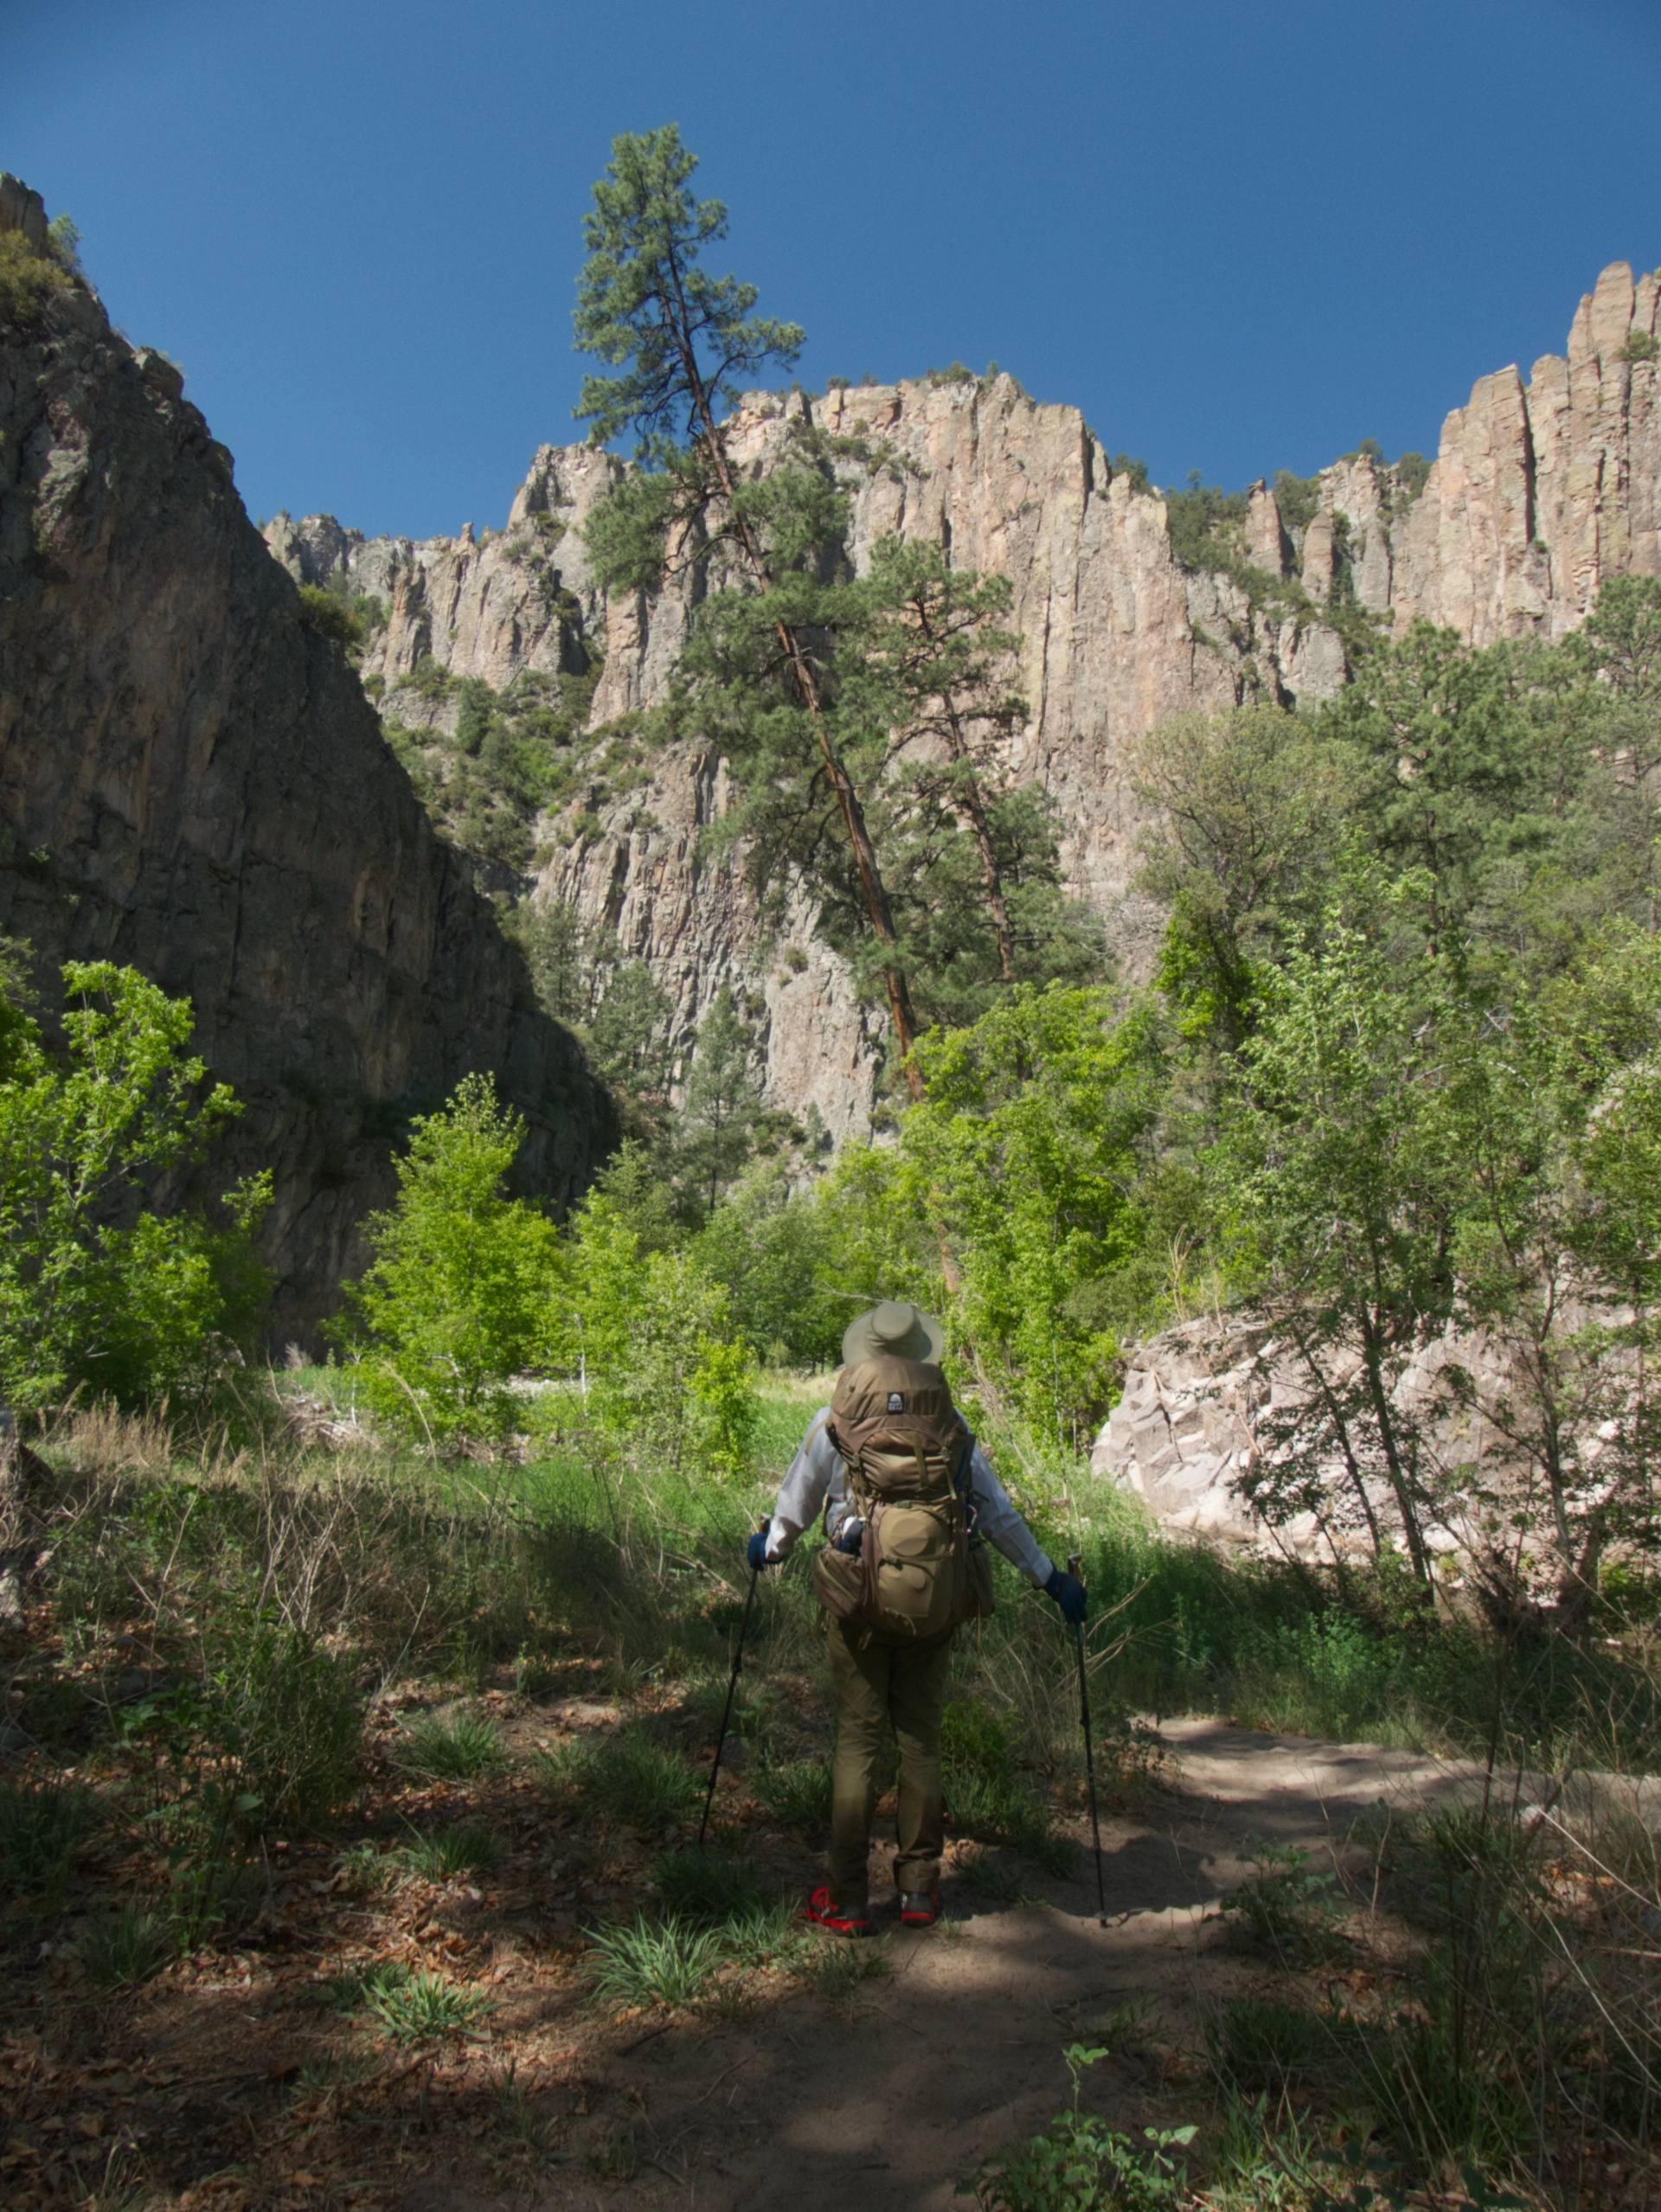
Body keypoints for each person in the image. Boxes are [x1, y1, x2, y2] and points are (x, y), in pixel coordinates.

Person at [747, 1299, 1087, 1936]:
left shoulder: (834, 1421)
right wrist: (1049, 1578)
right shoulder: (952, 1426)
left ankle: (847, 1898)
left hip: (857, 1601)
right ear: (919, 1356)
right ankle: (920, 1892)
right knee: (920, 1740)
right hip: (935, 1601)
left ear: (866, 1356)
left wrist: (768, 1550)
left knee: (857, 1740)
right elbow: (999, 1514)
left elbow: (794, 1502)